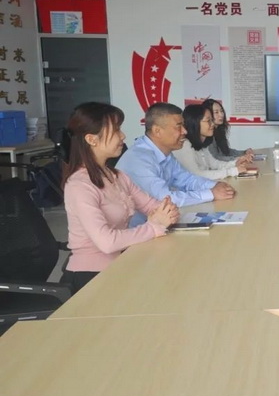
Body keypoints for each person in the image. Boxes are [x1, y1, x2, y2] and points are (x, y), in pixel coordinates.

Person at [61, 102, 179, 294]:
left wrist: (167, 212)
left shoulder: (117, 176)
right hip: (90, 277)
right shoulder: (79, 186)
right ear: (91, 139)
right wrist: (153, 227)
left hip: (120, 263)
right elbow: (107, 242)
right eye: (116, 130)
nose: (122, 136)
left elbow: (154, 206)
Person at [116, 102, 236, 226]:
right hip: (138, 230)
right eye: (179, 126)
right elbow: (165, 199)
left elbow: (186, 179)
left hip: (159, 223)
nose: (185, 131)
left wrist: (216, 185)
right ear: (157, 131)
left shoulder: (165, 153)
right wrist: (211, 193)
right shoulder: (140, 158)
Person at [173, 104, 252, 179]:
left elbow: (214, 164)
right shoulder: (184, 145)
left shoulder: (203, 143)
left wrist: (235, 163)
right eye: (208, 121)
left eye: (212, 120)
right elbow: (196, 175)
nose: (213, 124)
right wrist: (232, 171)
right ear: (195, 123)